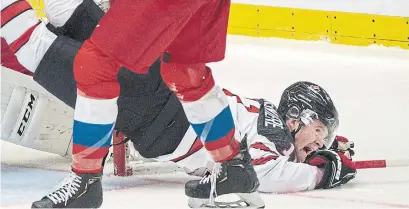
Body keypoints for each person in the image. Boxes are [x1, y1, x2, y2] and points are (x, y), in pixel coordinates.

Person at [1, 1, 356, 207]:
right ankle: (85, 182)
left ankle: (86, 182)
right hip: (151, 108)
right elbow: (270, 174)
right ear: (298, 115)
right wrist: (322, 173)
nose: (319, 143)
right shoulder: (275, 136)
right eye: (319, 131)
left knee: (66, 9)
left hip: (158, 84)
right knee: (31, 43)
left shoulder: (265, 117)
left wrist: (327, 150)